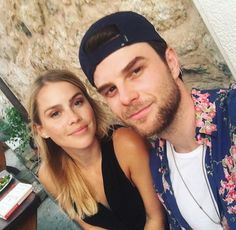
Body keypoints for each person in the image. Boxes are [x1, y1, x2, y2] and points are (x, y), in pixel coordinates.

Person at [79, 11, 236, 229]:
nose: (126, 98)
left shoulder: (232, 116)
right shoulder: (159, 168)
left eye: (135, 71)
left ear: (171, 62)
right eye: (111, 90)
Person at [27, 69, 165, 230]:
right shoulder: (51, 175)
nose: (74, 118)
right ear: (41, 130)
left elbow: (157, 217)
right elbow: (90, 227)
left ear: (89, 104)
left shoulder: (126, 144)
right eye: (55, 113)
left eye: (77, 102)